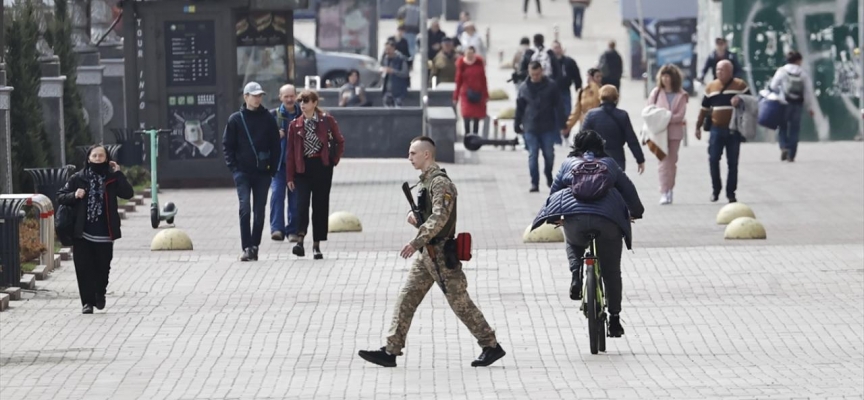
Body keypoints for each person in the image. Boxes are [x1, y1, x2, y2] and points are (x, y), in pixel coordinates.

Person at [357, 136, 505, 368]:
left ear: (427, 154)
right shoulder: (425, 182)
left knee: (459, 302)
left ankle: (491, 345)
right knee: (407, 298)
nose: (409, 157)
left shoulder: (440, 183)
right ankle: (390, 350)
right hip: (428, 252)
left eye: (413, 153)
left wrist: (416, 241)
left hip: (440, 253)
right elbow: (428, 215)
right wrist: (414, 217)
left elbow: (439, 217)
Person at [530, 130, 644, 337]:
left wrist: (555, 216)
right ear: (601, 145)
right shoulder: (609, 164)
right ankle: (615, 319)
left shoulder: (568, 164)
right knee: (611, 271)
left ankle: (576, 274)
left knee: (573, 243)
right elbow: (629, 190)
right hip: (607, 221)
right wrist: (636, 212)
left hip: (576, 220)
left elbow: (554, 192)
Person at [57, 145, 134, 314]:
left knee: (102, 268)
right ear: (88, 158)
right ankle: (87, 303)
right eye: (94, 156)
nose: (98, 158)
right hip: (82, 232)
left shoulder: (112, 178)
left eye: (101, 156)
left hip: (105, 232)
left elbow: (128, 193)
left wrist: (119, 173)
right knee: (83, 269)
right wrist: (74, 195)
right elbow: (60, 196)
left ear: (107, 159)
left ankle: (100, 292)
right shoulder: (78, 178)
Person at [223, 82, 281, 261]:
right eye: (254, 95)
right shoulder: (235, 119)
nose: (258, 99)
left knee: (259, 211)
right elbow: (228, 146)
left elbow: (276, 146)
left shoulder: (268, 118)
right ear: (246, 96)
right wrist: (233, 167)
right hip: (242, 172)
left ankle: (255, 245)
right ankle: (246, 247)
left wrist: (272, 169)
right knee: (245, 208)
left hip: (263, 172)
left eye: (260, 95)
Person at [286, 90, 345, 260]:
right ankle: (300, 240)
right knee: (301, 204)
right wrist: (290, 176)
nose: (302, 105)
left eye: (306, 101)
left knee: (320, 206)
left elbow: (340, 141)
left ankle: (316, 245)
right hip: (302, 168)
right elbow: (290, 152)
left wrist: (333, 160)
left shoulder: (326, 120)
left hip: (322, 166)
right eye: (301, 102)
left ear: (314, 103)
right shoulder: (295, 124)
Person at [695, 59, 751, 203]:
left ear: (730, 71)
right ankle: (716, 190)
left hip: (734, 130)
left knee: (732, 163)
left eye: (723, 70)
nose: (719, 72)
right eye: (718, 70)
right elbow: (704, 109)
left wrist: (740, 99)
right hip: (716, 130)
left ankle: (731, 193)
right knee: (713, 160)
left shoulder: (740, 85)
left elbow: (752, 103)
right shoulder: (711, 87)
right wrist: (698, 126)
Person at [515, 61, 567, 192]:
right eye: (533, 75)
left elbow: (559, 106)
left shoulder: (551, 86)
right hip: (530, 126)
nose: (535, 77)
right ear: (529, 72)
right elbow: (519, 108)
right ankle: (534, 183)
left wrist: (563, 124)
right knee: (533, 155)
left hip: (547, 126)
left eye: (537, 74)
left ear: (541, 72)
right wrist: (517, 124)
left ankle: (548, 174)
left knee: (549, 154)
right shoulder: (524, 87)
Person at [647, 64, 688, 204]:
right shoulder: (656, 93)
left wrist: (665, 117)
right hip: (659, 133)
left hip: (674, 134)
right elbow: (649, 111)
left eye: (668, 76)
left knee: (672, 162)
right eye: (663, 76)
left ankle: (670, 189)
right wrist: (667, 118)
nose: (665, 79)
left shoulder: (681, 95)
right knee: (663, 162)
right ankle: (664, 191)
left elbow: (680, 115)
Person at [581, 85, 645, 173]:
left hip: (596, 158)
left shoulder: (591, 115)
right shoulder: (622, 115)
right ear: (616, 98)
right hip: (617, 158)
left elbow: (582, 139)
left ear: (600, 98)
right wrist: (640, 159)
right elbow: (632, 140)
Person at [768, 50, 815, 162]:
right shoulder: (803, 73)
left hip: (784, 103)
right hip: (798, 104)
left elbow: (773, 85)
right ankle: (791, 155)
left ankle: (784, 146)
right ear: (798, 60)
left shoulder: (782, 71)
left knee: (782, 126)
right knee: (794, 129)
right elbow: (808, 92)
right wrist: (810, 108)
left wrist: (779, 93)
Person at [270, 84, 302, 243]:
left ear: (296, 96)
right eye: (286, 96)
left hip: (297, 166)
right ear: (280, 97)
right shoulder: (273, 116)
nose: (289, 99)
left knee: (295, 199)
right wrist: (275, 135)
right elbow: (262, 140)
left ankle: (293, 231)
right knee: (277, 195)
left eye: (292, 96)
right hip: (279, 166)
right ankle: (277, 229)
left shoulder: (304, 114)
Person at [453, 46, 488, 136]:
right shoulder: (462, 64)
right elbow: (458, 81)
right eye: (468, 53)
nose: (469, 55)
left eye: (471, 53)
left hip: (478, 92)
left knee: (477, 115)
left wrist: (486, 94)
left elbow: (483, 79)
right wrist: (455, 96)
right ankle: (467, 134)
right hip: (466, 93)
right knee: (466, 115)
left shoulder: (479, 63)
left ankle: (475, 135)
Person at [552, 40, 582, 139]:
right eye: (554, 48)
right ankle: (556, 137)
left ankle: (565, 132)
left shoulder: (569, 62)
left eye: (558, 48)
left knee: (567, 112)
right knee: (554, 114)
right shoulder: (549, 62)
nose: (557, 50)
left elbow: (576, 76)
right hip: (552, 92)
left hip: (565, 91)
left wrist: (579, 89)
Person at [566, 68, 603, 133]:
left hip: (599, 123)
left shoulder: (604, 91)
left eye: (600, 76)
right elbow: (577, 111)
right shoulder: (582, 91)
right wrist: (569, 125)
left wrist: (593, 85)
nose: (599, 79)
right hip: (585, 123)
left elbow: (596, 102)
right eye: (597, 77)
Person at [381, 40, 410, 108]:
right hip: (387, 91)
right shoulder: (385, 59)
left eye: (389, 49)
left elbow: (405, 73)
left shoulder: (401, 59)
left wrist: (393, 71)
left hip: (398, 91)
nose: (387, 51)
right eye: (386, 49)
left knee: (398, 110)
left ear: (394, 49)